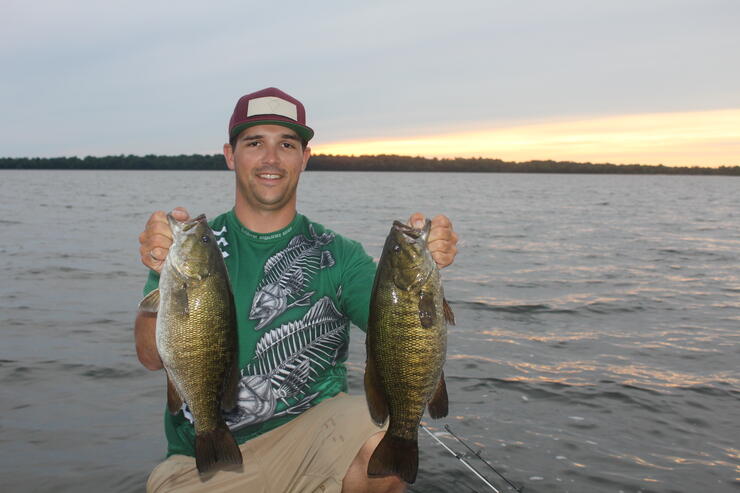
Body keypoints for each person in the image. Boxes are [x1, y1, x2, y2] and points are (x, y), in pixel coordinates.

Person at [135, 87, 459, 493]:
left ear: (304, 158)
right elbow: (151, 357)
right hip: (203, 460)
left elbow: (394, 328)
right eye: (255, 143)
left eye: (286, 144)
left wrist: (425, 269)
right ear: (230, 155)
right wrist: (158, 270)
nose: (271, 159)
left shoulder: (340, 255)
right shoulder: (196, 250)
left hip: (314, 437)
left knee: (381, 448)